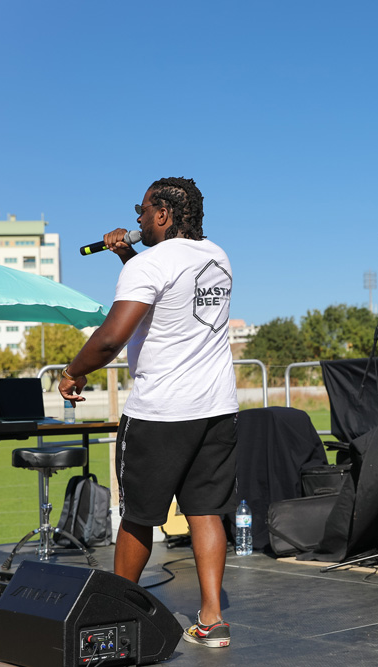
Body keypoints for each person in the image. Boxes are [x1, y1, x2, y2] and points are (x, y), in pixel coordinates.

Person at [58, 177, 238, 649]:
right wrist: (125, 255)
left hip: (161, 411)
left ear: (162, 214)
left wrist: (73, 372)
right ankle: (212, 620)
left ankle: (121, 614)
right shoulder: (218, 257)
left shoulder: (155, 263)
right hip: (216, 409)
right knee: (205, 511)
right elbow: (170, 297)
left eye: (141, 211)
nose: (135, 219)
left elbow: (113, 336)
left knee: (138, 515)